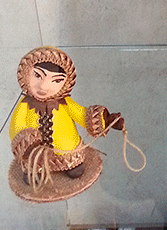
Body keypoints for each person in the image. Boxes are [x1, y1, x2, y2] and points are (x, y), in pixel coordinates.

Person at [10, 46, 123, 189]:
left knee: (72, 159)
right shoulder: (24, 105)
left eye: (56, 80)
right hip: (36, 152)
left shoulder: (65, 102)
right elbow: (17, 125)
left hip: (66, 150)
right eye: (37, 75)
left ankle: (71, 164)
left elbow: (81, 114)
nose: (43, 86)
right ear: (25, 74)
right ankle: (35, 169)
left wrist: (105, 120)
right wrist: (26, 141)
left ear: (66, 82)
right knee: (33, 159)